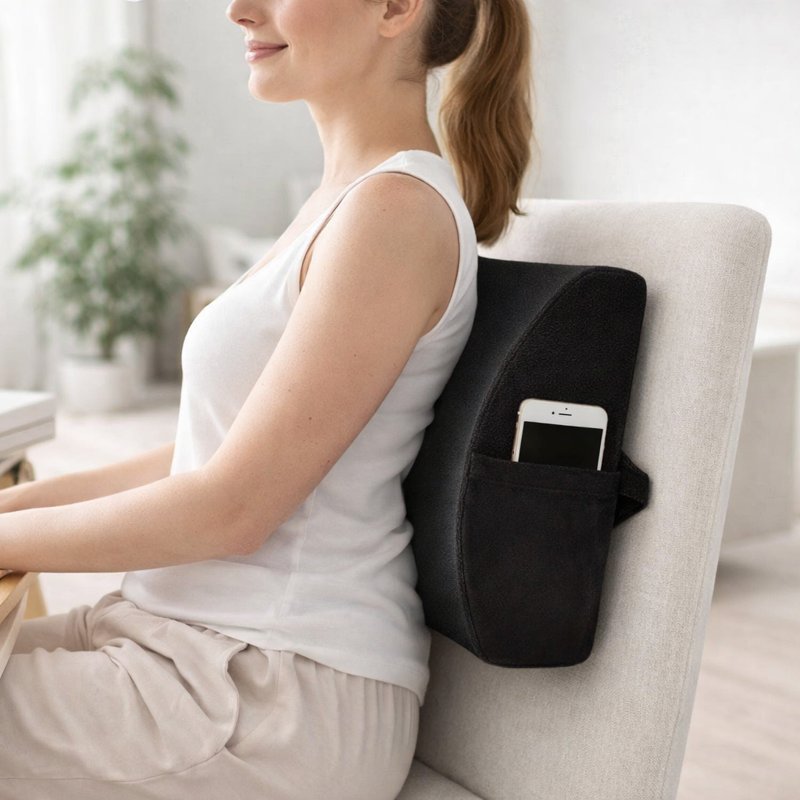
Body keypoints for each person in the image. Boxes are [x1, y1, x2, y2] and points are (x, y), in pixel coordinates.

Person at [0, 0, 533, 796]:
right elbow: (200, 455)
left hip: (270, 688)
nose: (238, 9)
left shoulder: (394, 212)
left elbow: (232, 508)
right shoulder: (345, 200)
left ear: (394, 8)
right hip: (182, 642)